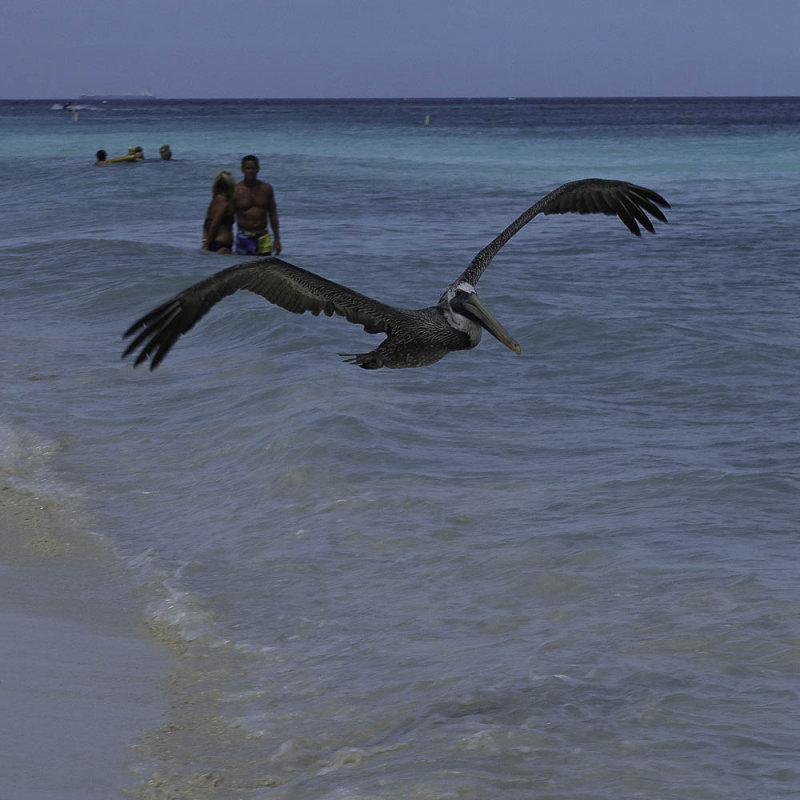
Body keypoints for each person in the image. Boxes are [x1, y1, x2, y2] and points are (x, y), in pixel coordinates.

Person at [233, 155, 281, 256]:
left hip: (263, 236)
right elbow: (228, 216)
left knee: (266, 268)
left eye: (253, 168)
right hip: (244, 235)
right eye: (248, 168)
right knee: (243, 269)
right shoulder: (236, 190)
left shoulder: (266, 189)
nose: (250, 171)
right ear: (242, 169)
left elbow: (273, 215)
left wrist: (277, 239)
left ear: (258, 169)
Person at [202, 171, 236, 254]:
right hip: (222, 245)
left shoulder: (214, 201)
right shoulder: (224, 204)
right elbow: (214, 225)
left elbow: (207, 223)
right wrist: (206, 245)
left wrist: (205, 242)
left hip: (213, 243)